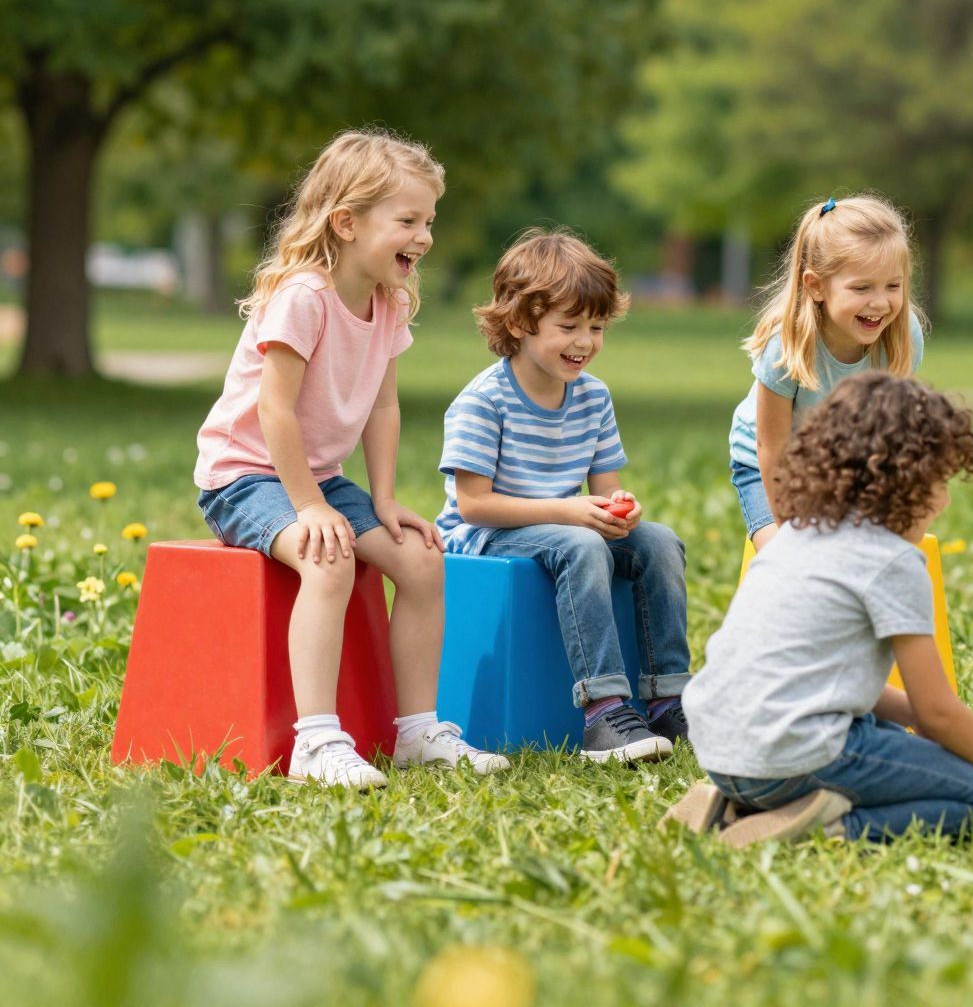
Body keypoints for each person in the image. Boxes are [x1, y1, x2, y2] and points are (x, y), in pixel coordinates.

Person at [193, 129, 504, 787]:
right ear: (346, 222)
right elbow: (275, 411)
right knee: (328, 560)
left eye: (429, 222)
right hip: (243, 477)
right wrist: (308, 507)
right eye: (408, 221)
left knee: (421, 560)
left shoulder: (388, 302)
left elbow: (383, 409)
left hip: (322, 480)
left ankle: (417, 729)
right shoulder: (304, 297)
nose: (423, 237)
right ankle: (316, 741)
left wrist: (383, 500)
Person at [669, 375, 973, 846]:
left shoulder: (799, 534)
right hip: (788, 757)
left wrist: (919, 726)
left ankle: (733, 808)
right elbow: (936, 712)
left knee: (882, 734)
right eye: (938, 482)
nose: (944, 501)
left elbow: (834, 684)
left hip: (722, 753)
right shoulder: (893, 563)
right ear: (902, 482)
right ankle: (818, 828)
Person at [437, 229, 690, 762]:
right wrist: (571, 514)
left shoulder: (593, 397)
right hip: (485, 536)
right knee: (580, 546)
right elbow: (473, 505)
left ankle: (668, 699)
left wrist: (622, 510)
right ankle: (603, 714)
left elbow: (606, 490)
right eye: (569, 326)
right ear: (520, 323)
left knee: (660, 542)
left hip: (559, 527)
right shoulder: (484, 401)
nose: (585, 342)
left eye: (596, 327)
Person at [727, 195, 925, 548]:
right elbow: (770, 446)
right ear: (816, 286)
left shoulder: (902, 335)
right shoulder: (785, 348)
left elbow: (890, 430)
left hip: (845, 464)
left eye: (893, 286)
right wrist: (795, 531)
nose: (880, 303)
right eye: (862, 287)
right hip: (768, 468)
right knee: (787, 555)